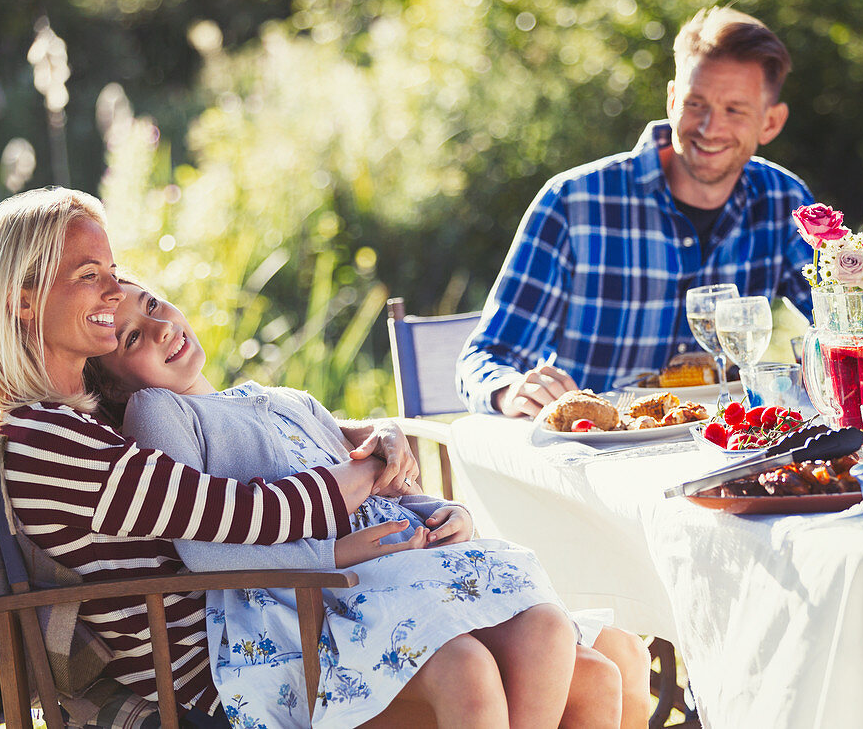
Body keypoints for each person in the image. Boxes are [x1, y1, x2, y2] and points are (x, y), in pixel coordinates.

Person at [0, 187, 413, 723]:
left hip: (263, 640)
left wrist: (362, 435)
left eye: (113, 271)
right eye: (89, 274)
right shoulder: (49, 443)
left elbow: (240, 441)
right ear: (22, 301)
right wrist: (371, 466)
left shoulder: (74, 426)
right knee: (467, 669)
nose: (116, 290)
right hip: (227, 683)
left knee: (497, 647)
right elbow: (248, 513)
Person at [85, 279, 653, 728]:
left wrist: (440, 511)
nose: (160, 328)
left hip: (399, 574)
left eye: (153, 304)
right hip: (314, 604)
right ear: (114, 387)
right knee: (540, 651)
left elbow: (378, 489)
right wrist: (336, 553)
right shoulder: (160, 410)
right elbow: (205, 550)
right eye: (132, 337)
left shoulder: (278, 398)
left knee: (605, 653)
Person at [457, 5, 815, 419]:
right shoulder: (573, 202)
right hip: (595, 453)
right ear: (671, 100)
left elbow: (836, 325)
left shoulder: (785, 201)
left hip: (727, 449)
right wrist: (508, 389)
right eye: (695, 103)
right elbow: (486, 357)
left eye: (734, 109)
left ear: (770, 122)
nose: (709, 127)